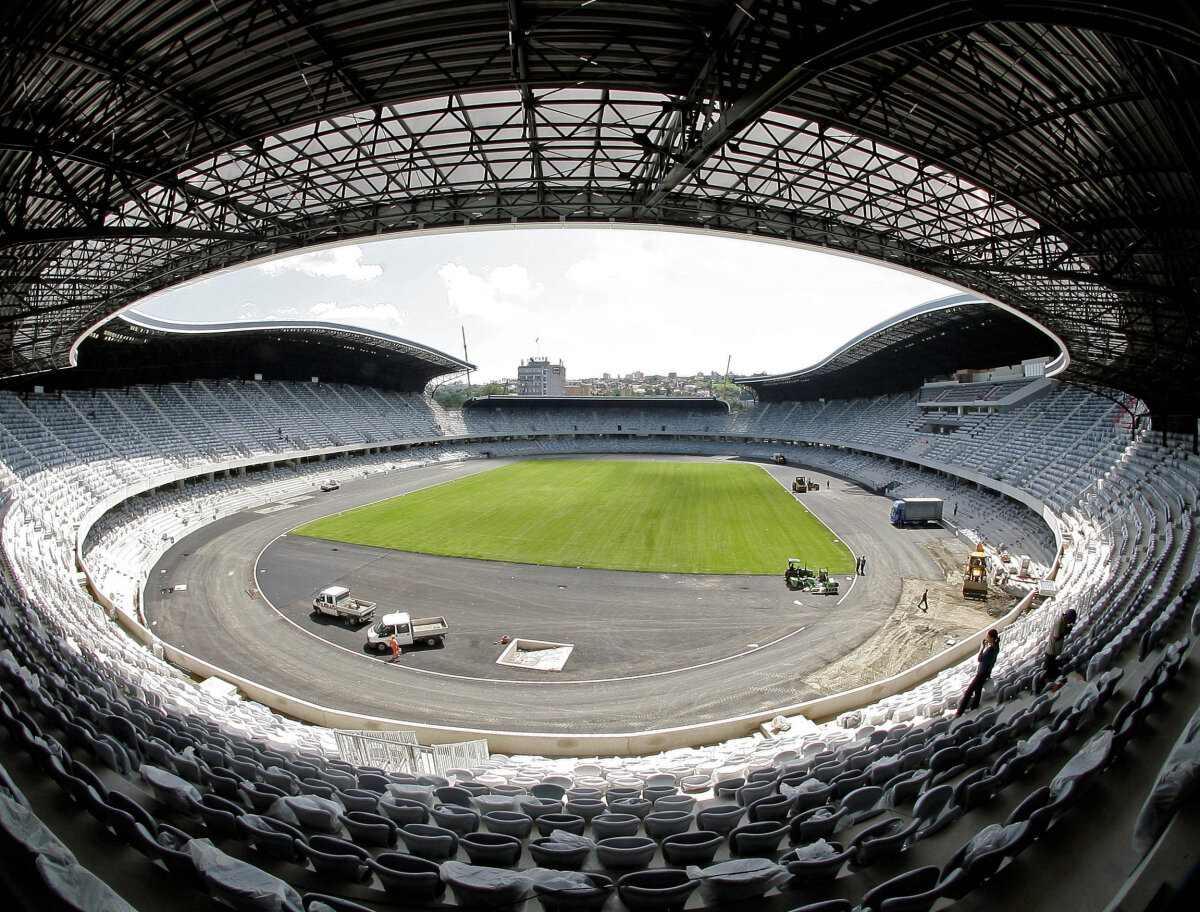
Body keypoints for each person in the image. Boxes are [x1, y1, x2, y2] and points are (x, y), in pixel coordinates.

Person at [957, 628, 1000, 716]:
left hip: (981, 674)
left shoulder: (990, 650)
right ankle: (974, 707)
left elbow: (980, 659)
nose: (987, 638)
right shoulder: (996, 648)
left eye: (988, 636)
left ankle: (960, 712)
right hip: (986, 673)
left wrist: (982, 647)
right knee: (978, 690)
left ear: (991, 638)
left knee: (968, 692)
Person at [1042, 607, 1077, 683]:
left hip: (1055, 650)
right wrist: (1066, 631)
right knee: (1047, 668)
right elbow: (1056, 638)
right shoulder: (1059, 623)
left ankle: (1051, 679)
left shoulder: (1064, 622)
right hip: (1051, 650)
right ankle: (1042, 682)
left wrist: (1067, 629)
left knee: (1051, 666)